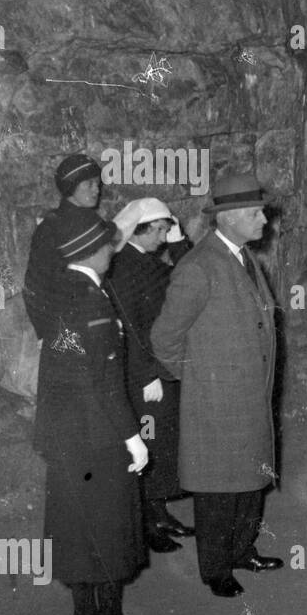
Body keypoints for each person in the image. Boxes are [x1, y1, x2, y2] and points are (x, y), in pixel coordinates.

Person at [150, 174, 284, 598]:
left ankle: (243, 549)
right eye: (255, 213)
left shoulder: (243, 258)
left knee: (249, 478)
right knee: (217, 489)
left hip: (250, 394)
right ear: (227, 219)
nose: (264, 219)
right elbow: (164, 339)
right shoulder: (198, 267)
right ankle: (215, 568)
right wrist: (199, 383)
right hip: (217, 400)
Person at [35, 210, 156, 615]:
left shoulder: (60, 290)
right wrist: (133, 438)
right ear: (93, 249)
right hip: (99, 436)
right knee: (108, 529)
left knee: (75, 526)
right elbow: (103, 379)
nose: (113, 251)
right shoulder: (93, 299)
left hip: (62, 434)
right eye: (109, 244)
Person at [107, 198, 192, 556]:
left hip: (159, 367)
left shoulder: (147, 261)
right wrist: (146, 375)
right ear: (139, 231)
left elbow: (188, 274)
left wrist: (177, 240)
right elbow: (130, 328)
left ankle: (158, 512)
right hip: (142, 373)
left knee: (161, 443)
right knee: (147, 444)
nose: (162, 236)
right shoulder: (124, 267)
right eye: (158, 230)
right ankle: (143, 524)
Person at [24, 152, 104, 344]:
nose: (96, 190)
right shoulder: (51, 228)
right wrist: (46, 333)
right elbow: (35, 285)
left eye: (98, 184)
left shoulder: (94, 222)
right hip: (67, 326)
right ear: (71, 186)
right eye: (89, 184)